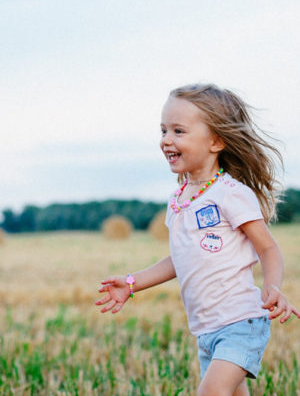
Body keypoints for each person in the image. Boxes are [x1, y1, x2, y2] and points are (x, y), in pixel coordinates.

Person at [95, 83, 300, 396]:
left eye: (178, 131)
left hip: (240, 323)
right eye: (163, 130)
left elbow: (268, 247)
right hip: (206, 330)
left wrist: (272, 286)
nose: (166, 140)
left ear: (215, 141)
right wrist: (133, 282)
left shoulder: (231, 194)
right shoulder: (179, 200)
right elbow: (179, 258)